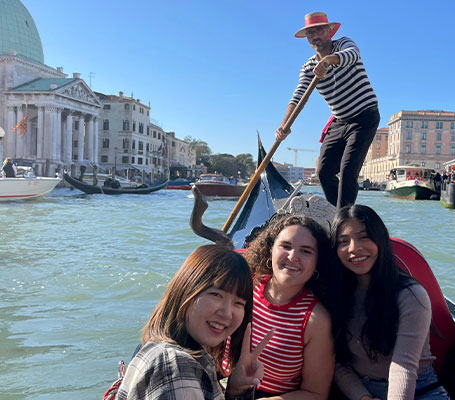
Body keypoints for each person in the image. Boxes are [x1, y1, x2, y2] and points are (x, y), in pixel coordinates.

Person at [116, 245, 273, 400]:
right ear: (185, 290)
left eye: (238, 303)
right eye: (216, 295)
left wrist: (237, 390)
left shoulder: (185, 355)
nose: (227, 313)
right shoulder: (175, 366)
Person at [327, 205, 449, 400]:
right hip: (361, 389)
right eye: (343, 241)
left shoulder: (410, 295)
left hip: (420, 389)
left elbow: (404, 366)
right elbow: (338, 362)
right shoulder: (336, 295)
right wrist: (363, 397)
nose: (353, 248)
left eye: (364, 237)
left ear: (380, 240)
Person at [275, 12, 380, 209]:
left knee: (348, 172)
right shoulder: (308, 68)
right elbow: (297, 97)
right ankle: (336, 213)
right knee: (323, 172)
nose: (315, 36)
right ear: (307, 39)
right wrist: (283, 126)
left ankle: (342, 220)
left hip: (364, 116)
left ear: (330, 31)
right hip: (339, 121)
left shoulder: (344, 44)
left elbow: (351, 55)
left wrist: (328, 61)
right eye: (310, 33)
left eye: (319, 30)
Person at [242, 214, 335, 399]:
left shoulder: (316, 320)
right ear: (270, 250)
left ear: (317, 263)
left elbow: (315, 394)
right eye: (286, 246)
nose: (293, 257)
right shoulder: (244, 287)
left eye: (306, 251)